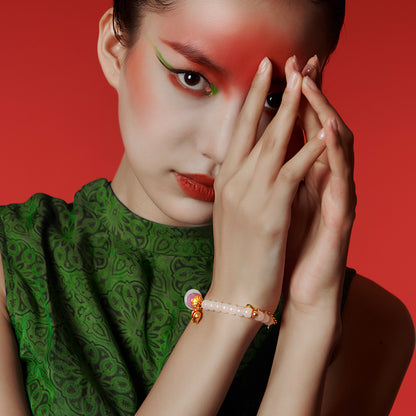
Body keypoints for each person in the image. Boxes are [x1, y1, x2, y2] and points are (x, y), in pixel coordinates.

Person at [0, 0, 414, 414]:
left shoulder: (365, 321)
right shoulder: (13, 264)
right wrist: (233, 303)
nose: (223, 148)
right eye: (192, 78)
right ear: (114, 49)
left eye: (273, 99)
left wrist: (308, 321)